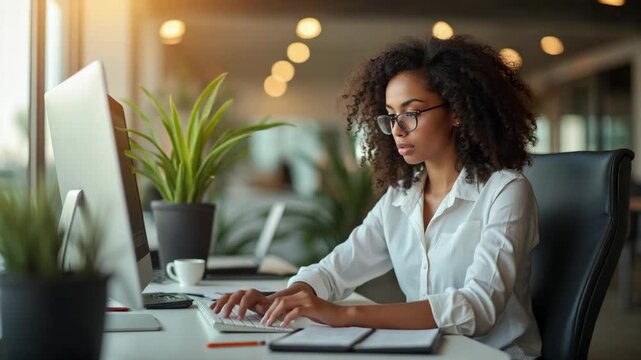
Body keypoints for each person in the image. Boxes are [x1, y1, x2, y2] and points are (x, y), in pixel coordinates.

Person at [212, 35, 541, 359]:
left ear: (456, 112)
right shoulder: (401, 197)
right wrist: (279, 299)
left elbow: (477, 307)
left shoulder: (505, 191)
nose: (398, 129)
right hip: (429, 352)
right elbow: (334, 271)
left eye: (411, 113)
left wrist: (345, 315)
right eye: (390, 115)